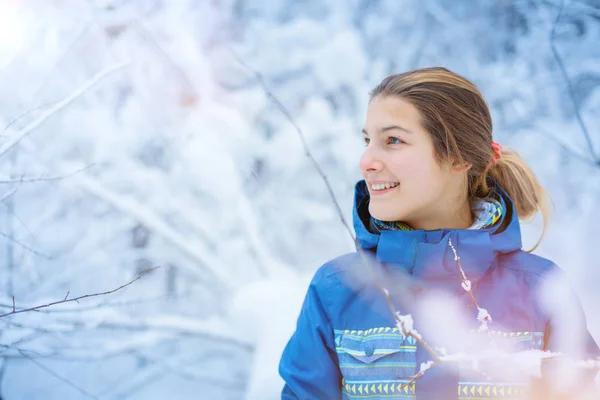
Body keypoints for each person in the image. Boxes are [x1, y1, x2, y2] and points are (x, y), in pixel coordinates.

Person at [278, 67, 599, 399]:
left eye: (393, 140)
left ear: (458, 156)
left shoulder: (539, 290)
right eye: (367, 141)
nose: (366, 160)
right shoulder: (337, 289)